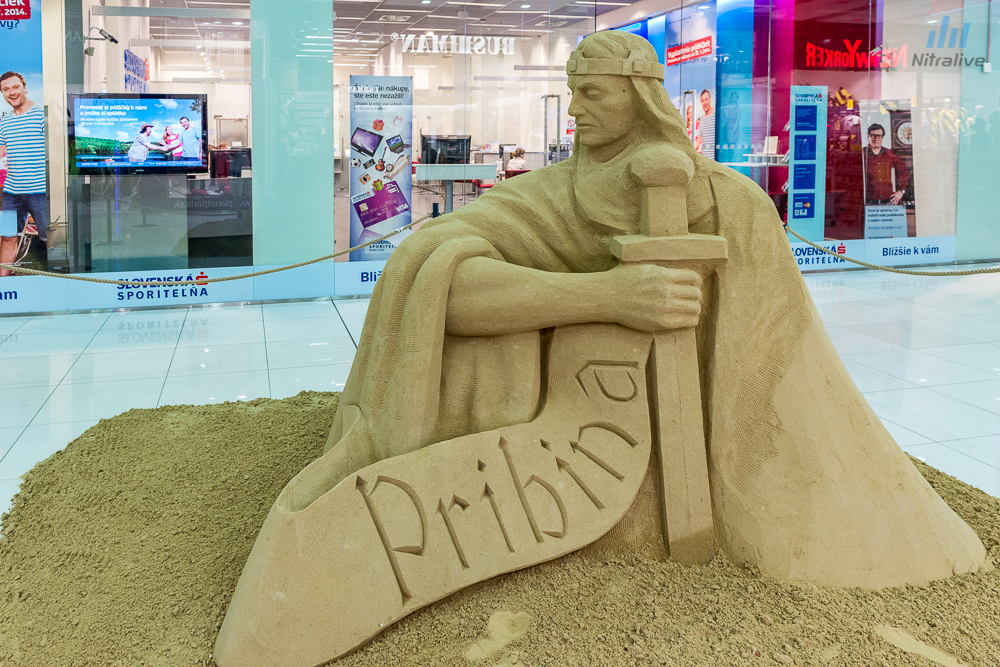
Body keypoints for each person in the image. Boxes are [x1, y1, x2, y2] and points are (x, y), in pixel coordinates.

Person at [231, 31, 984, 645]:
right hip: (556, 443)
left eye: (593, 94)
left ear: (640, 98)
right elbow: (431, 278)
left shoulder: (729, 203)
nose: (576, 111)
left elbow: (778, 351)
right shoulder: (547, 198)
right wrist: (609, 295)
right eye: (572, 93)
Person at [0, 71, 48, 269]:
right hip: (11, 193)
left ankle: (57, 281)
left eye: (15, 87)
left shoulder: (42, 115)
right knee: (7, 238)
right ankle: (4, 283)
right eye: (6, 89)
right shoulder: (4, 121)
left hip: (40, 192)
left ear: (24, 88)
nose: (11, 92)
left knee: (48, 238)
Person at [864, 123, 909, 205]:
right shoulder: (861, 154)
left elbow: (904, 171)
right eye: (873, 136)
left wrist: (901, 190)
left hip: (888, 202)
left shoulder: (889, 154)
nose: (876, 139)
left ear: (882, 137)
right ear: (868, 137)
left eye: (879, 136)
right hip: (868, 203)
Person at [697, 88, 716, 160]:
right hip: (706, 161)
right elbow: (699, 139)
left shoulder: (717, 115)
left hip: (716, 161)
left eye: (706, 99)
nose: (705, 103)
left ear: (710, 99)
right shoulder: (702, 119)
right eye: (702, 101)